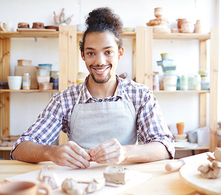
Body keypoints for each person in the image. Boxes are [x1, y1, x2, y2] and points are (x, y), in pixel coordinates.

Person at [11, 7, 175, 169]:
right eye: (91, 53)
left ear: (120, 53)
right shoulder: (64, 99)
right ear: (82, 55)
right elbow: (20, 149)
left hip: (124, 182)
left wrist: (125, 152)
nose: (100, 61)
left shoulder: (140, 95)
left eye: (108, 52)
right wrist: (50, 152)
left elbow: (165, 147)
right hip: (79, 185)